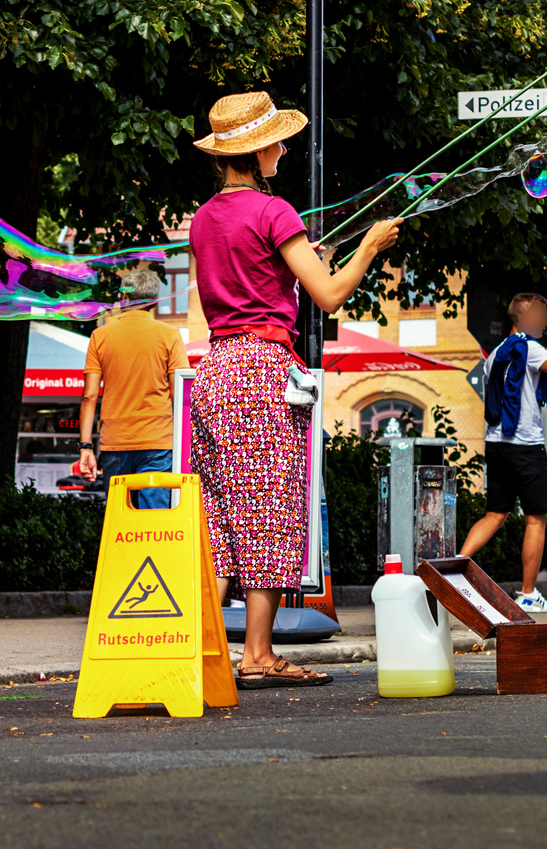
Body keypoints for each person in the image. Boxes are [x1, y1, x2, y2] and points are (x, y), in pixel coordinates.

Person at [188, 90, 401, 689]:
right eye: (276, 140)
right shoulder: (275, 210)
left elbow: (248, 274)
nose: (284, 147)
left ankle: (202, 648)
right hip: (260, 372)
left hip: (216, 371)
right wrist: (368, 247)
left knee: (222, 515)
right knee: (268, 512)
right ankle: (257, 654)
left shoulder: (203, 218)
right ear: (255, 151)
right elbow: (329, 294)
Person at [457, 292, 547, 613]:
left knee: (495, 514)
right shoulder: (530, 347)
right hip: (526, 445)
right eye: (540, 316)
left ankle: (455, 569)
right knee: (535, 519)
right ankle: (528, 594)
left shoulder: (495, 353)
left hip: (496, 444)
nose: (545, 323)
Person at [78, 268, 189, 506]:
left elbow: (89, 397)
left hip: (115, 443)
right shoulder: (170, 335)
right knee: (154, 526)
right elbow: (179, 395)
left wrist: (86, 447)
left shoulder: (100, 336)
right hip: (158, 443)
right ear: (154, 301)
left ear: (124, 296)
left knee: (121, 523)